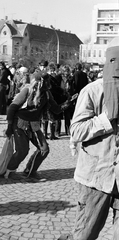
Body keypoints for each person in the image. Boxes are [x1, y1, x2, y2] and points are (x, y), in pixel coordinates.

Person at [58, 37, 119, 240]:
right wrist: (106, 119)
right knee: (84, 235)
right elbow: (76, 130)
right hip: (95, 179)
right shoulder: (93, 90)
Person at [4, 71, 70, 179]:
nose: (49, 84)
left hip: (34, 124)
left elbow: (56, 109)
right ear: (40, 82)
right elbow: (12, 108)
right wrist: (9, 126)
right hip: (19, 123)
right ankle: (9, 172)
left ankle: (29, 171)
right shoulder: (27, 90)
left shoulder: (47, 94)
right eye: (47, 81)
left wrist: (68, 103)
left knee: (44, 149)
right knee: (22, 151)